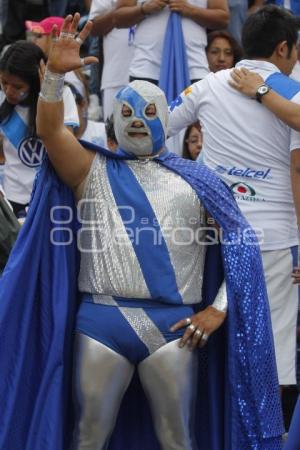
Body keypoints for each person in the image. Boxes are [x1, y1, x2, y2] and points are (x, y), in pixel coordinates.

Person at [0, 13, 283, 450]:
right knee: (88, 438)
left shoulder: (199, 179)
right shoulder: (88, 169)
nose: (137, 119)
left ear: (165, 118)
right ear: (113, 119)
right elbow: (50, 129)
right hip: (100, 321)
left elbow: (242, 245)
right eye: (127, 111)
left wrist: (220, 309)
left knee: (177, 440)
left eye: (149, 111)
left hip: (174, 328)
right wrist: (54, 75)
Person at [168, 5, 300, 395]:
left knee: (212, 347)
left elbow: (155, 128)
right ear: (283, 48)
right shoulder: (293, 92)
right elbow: (298, 171)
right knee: (276, 356)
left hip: (213, 236)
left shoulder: (208, 85)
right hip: (275, 241)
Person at [0, 40, 79, 217]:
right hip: (13, 200)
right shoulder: (1, 103)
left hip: (51, 196)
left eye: (18, 86)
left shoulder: (63, 95)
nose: (9, 91)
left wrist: (49, 96)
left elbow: (67, 147)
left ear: (35, 81)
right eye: (4, 83)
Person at [114, 0, 229, 85]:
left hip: (194, 70)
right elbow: (117, 19)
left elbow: (223, 19)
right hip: (145, 70)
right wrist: (144, 9)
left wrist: (191, 10)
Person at [89, 0, 134, 120]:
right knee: (113, 134)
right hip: (116, 77)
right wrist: (117, 9)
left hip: (155, 73)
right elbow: (93, 27)